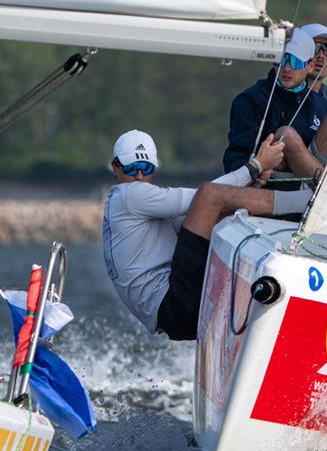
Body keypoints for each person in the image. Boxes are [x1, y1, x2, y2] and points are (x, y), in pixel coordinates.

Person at [103, 130, 312, 341]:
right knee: (209, 197)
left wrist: (253, 182)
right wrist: (255, 166)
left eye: (146, 168)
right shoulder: (128, 195)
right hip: (173, 307)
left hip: (173, 314)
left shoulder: (135, 207)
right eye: (131, 169)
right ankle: (311, 202)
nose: (139, 176)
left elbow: (207, 208)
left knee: (216, 206)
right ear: (115, 167)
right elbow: (204, 196)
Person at [223, 29, 327, 185]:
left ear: (310, 65)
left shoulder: (321, 104)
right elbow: (234, 157)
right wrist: (255, 169)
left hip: (305, 194)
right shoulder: (250, 100)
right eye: (282, 60)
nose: (287, 68)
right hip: (264, 188)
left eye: (295, 61)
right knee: (286, 135)